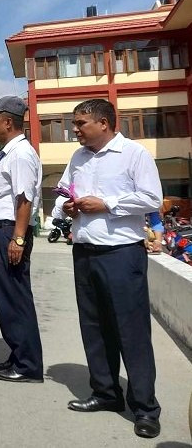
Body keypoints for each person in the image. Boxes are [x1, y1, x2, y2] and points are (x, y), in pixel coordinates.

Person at [56, 99, 162, 439]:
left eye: (80, 123)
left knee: (131, 331)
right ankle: (105, 393)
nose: (74, 130)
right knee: (95, 326)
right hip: (85, 251)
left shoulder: (134, 154)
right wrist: (67, 205)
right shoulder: (78, 157)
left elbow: (151, 198)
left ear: (103, 123)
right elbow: (62, 192)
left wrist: (107, 204)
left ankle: (145, 408)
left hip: (121, 253)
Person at [0, 96, 44, 383]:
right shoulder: (10, 153)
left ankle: (28, 364)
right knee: (7, 296)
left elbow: (24, 199)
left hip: (11, 230)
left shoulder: (20, 154)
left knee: (15, 297)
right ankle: (19, 355)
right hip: (2, 229)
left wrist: (17, 239)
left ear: (8, 122)